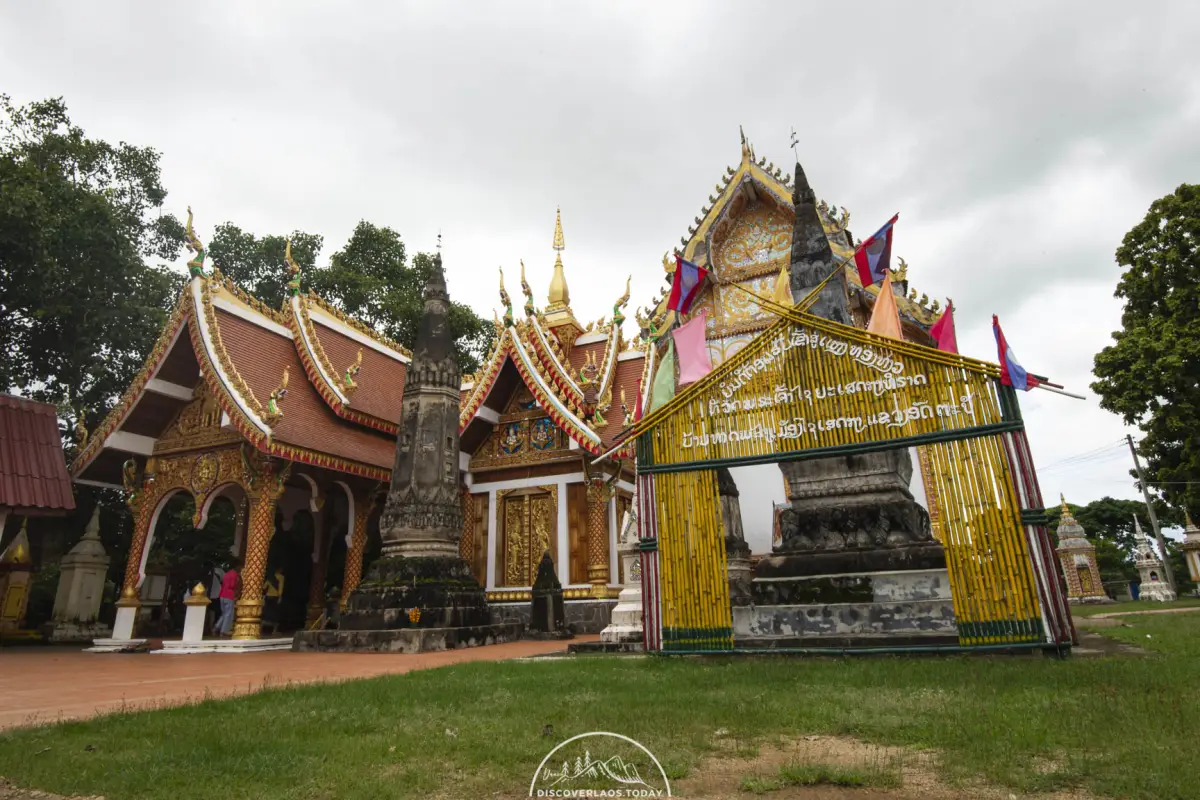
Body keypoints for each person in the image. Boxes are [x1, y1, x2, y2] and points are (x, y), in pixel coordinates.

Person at [215, 565, 240, 638]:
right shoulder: (235, 575)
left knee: (224, 613)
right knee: (228, 614)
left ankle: (216, 627)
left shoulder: (227, 574)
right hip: (229, 595)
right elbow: (232, 585)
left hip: (222, 594)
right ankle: (223, 632)